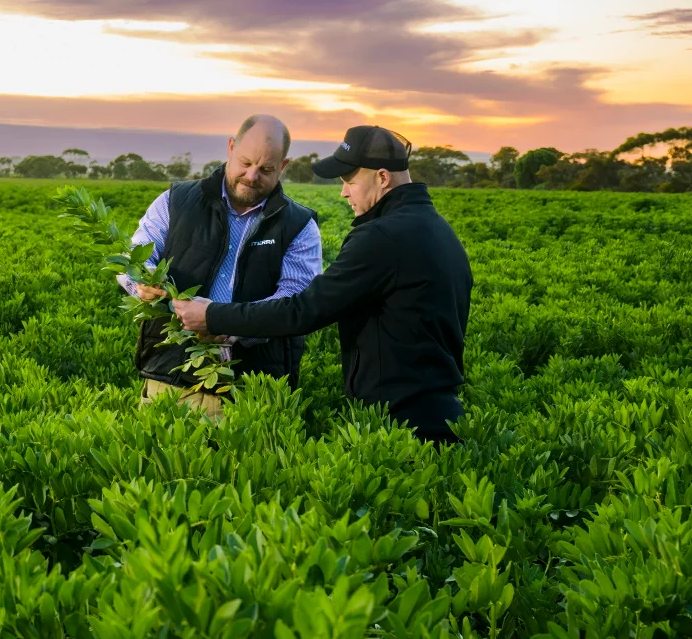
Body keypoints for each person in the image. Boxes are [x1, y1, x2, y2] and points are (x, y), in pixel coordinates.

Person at [174, 124, 471, 443]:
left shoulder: (382, 236)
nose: (344, 192)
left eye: (350, 181)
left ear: (382, 178)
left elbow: (303, 311)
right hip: (441, 412)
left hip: (401, 422)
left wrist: (213, 315)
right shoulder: (441, 231)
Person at [124, 114, 322, 418]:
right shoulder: (175, 201)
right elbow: (134, 258)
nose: (252, 175)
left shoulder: (299, 225)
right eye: (245, 162)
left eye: (266, 169)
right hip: (170, 378)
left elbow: (296, 302)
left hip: (253, 391)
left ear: (283, 166)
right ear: (231, 148)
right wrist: (141, 282)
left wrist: (229, 323)